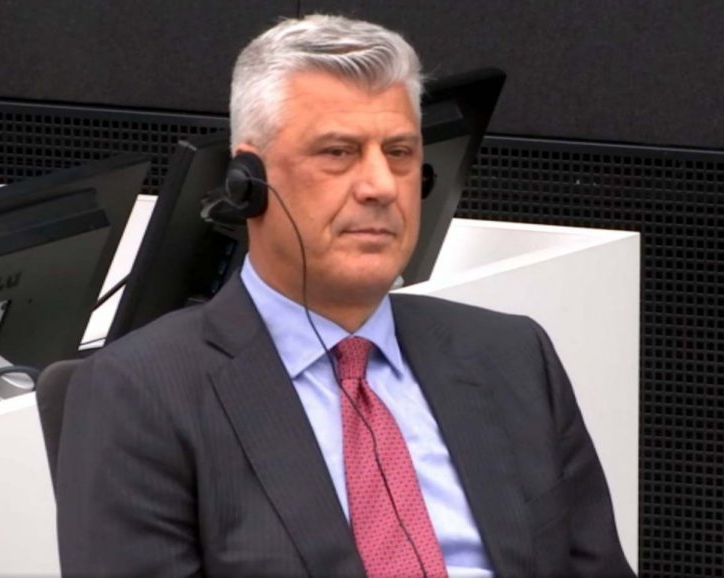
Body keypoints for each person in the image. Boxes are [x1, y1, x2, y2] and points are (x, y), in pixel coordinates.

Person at [56, 14, 635, 578]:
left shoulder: (512, 355)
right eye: (338, 152)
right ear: (247, 183)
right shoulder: (140, 394)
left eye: (400, 153)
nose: (381, 186)